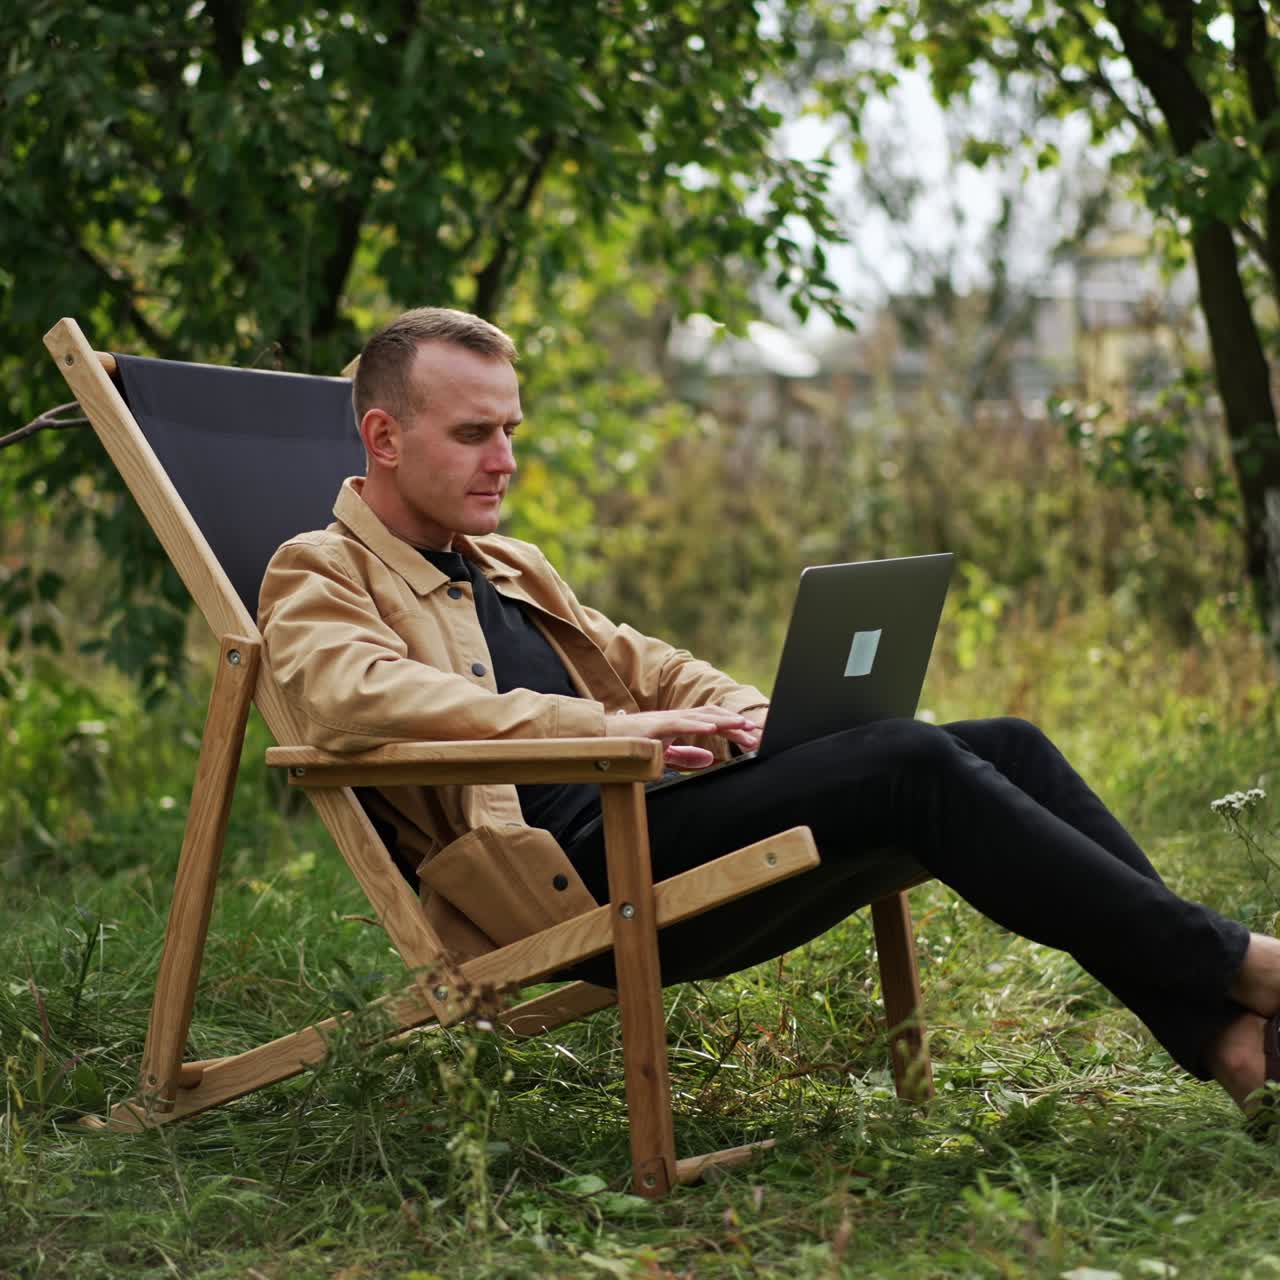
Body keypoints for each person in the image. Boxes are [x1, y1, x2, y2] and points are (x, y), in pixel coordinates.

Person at [258, 306, 1280, 1123]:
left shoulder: (505, 563)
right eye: (473, 433)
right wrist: (603, 732)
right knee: (907, 765)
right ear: (383, 436)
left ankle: (1225, 1036)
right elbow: (353, 697)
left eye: (510, 431)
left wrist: (755, 714)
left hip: (654, 812)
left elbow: (642, 661)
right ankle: (1235, 964)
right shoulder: (318, 569)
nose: (505, 460)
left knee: (1004, 742)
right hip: (573, 874)